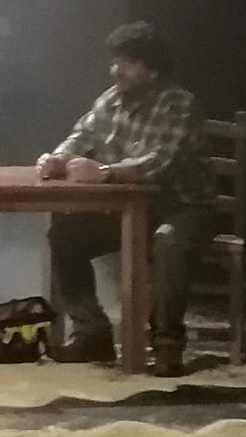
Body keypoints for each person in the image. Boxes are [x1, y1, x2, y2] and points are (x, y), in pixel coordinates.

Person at [36, 22, 212, 368]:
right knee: (65, 235)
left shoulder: (178, 104)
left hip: (182, 207)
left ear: (152, 69)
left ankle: (167, 345)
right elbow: (81, 136)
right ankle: (92, 335)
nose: (116, 70)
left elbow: (158, 161)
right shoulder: (110, 100)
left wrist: (104, 173)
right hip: (130, 209)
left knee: (168, 242)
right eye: (115, 61)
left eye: (128, 63)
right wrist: (57, 158)